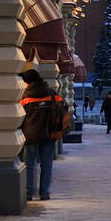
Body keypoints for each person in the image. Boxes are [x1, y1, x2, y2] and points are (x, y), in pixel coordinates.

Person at [20, 69, 67, 201]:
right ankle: (44, 193)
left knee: (30, 164)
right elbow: (65, 106)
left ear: (27, 82)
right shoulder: (52, 93)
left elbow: (19, 116)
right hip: (49, 133)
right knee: (47, 164)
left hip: (31, 134)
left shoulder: (25, 96)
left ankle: (29, 192)